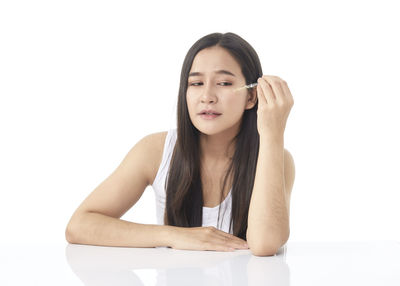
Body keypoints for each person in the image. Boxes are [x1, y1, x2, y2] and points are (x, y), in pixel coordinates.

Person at [65, 32, 295, 256]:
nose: (207, 96)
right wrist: (173, 235)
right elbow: (79, 226)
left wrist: (273, 133)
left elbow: (265, 244)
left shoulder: (276, 157)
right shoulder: (154, 150)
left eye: (224, 83)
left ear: (251, 97)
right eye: (196, 83)